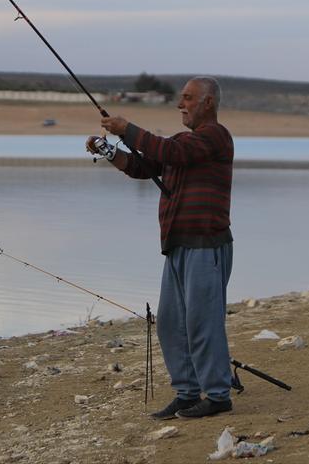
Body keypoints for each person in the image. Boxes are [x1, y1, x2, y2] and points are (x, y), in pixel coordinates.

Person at [86, 76, 235, 420]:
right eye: (181, 98)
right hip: (178, 244)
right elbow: (143, 167)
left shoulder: (216, 137)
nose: (180, 104)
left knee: (202, 322)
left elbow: (171, 153)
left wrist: (127, 128)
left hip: (207, 245)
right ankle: (186, 393)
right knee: (170, 322)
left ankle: (217, 395)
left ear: (208, 103)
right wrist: (107, 149)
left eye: (188, 98)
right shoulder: (184, 141)